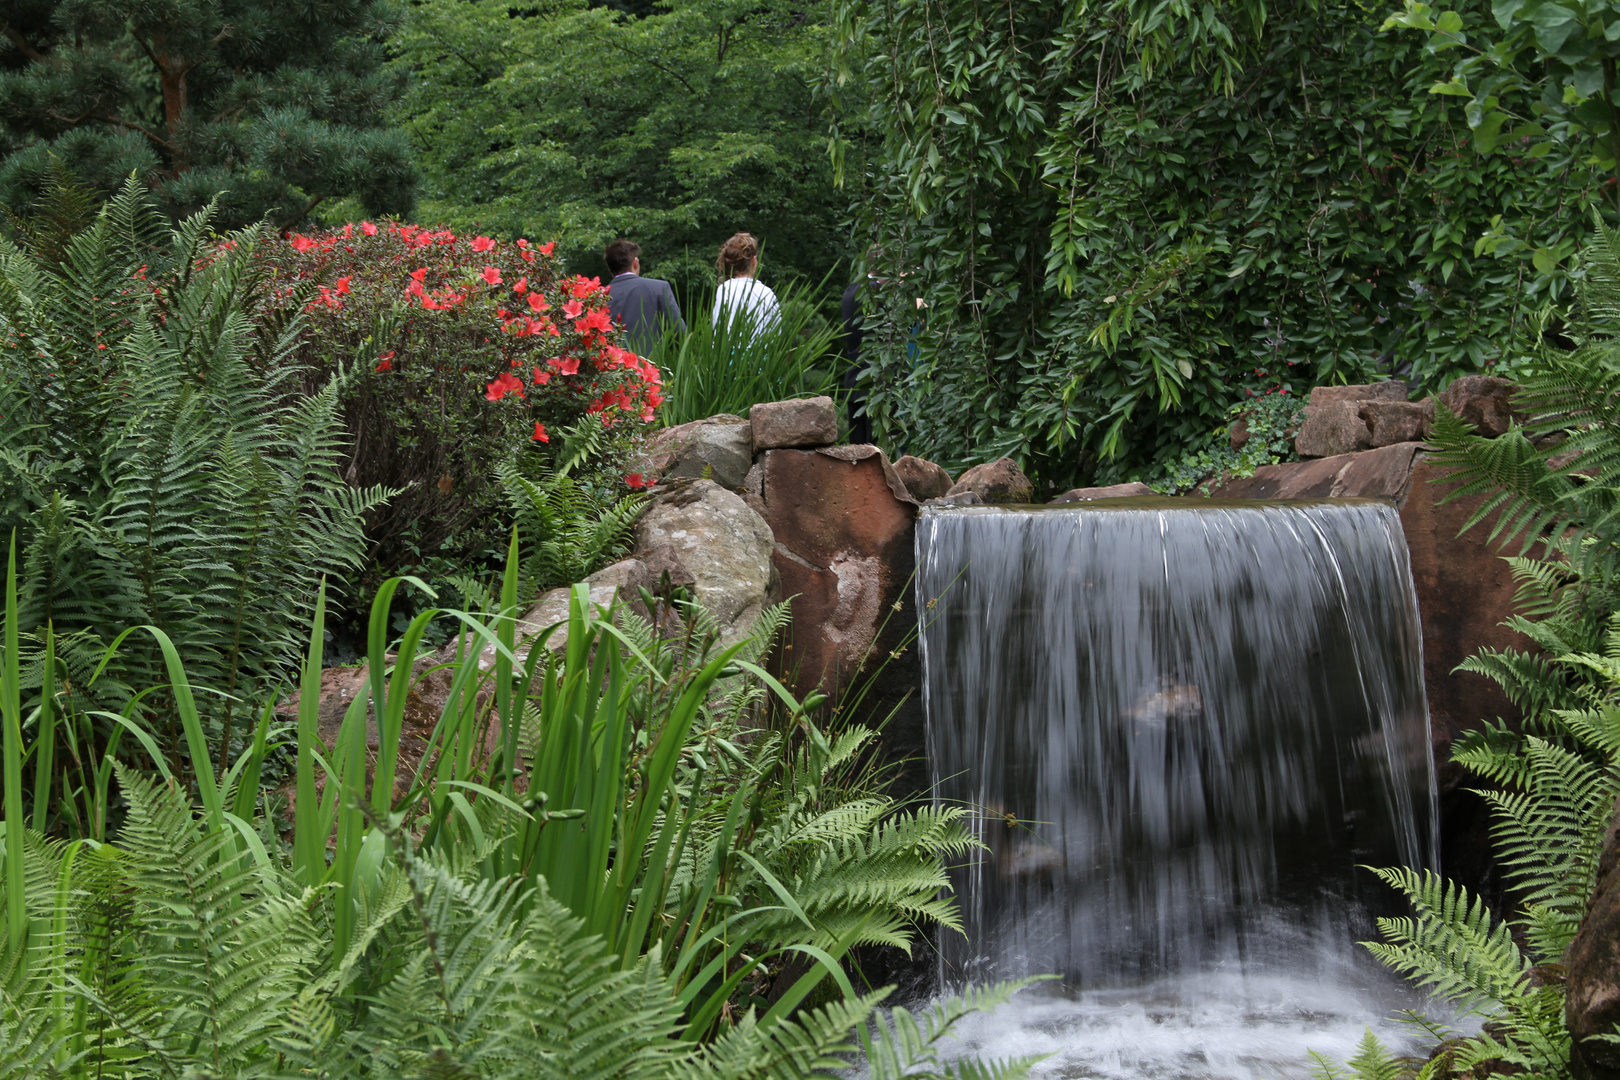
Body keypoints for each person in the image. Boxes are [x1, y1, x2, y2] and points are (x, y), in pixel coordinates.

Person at [604, 239, 684, 354]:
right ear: (635, 262)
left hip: (610, 368)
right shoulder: (659, 288)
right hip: (650, 367)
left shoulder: (598, 297)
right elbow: (678, 332)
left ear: (610, 268)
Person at [839, 246, 882, 445]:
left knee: (857, 451)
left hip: (855, 377)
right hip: (876, 383)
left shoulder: (851, 289)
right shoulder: (876, 292)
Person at [712, 232, 781, 335]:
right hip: (763, 351)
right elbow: (777, 331)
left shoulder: (725, 289)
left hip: (731, 351)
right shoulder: (767, 293)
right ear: (754, 261)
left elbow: (720, 328)